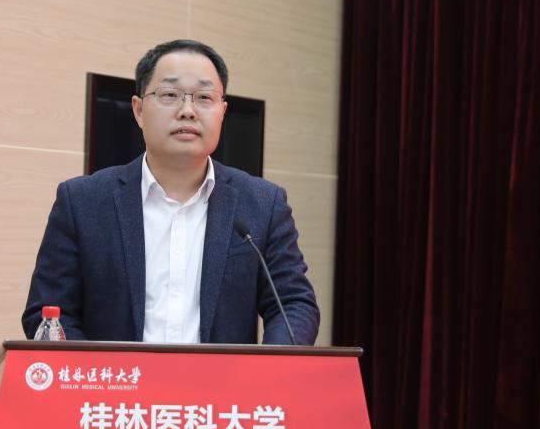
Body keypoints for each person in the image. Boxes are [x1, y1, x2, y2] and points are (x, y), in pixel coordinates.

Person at [22, 39, 319, 345]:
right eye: (170, 95)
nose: (187, 111)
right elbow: (48, 313)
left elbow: (294, 304)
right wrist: (95, 372)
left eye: (204, 97)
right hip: (117, 377)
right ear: (139, 110)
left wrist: (268, 368)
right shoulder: (82, 202)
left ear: (222, 112)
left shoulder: (263, 204)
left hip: (227, 379)